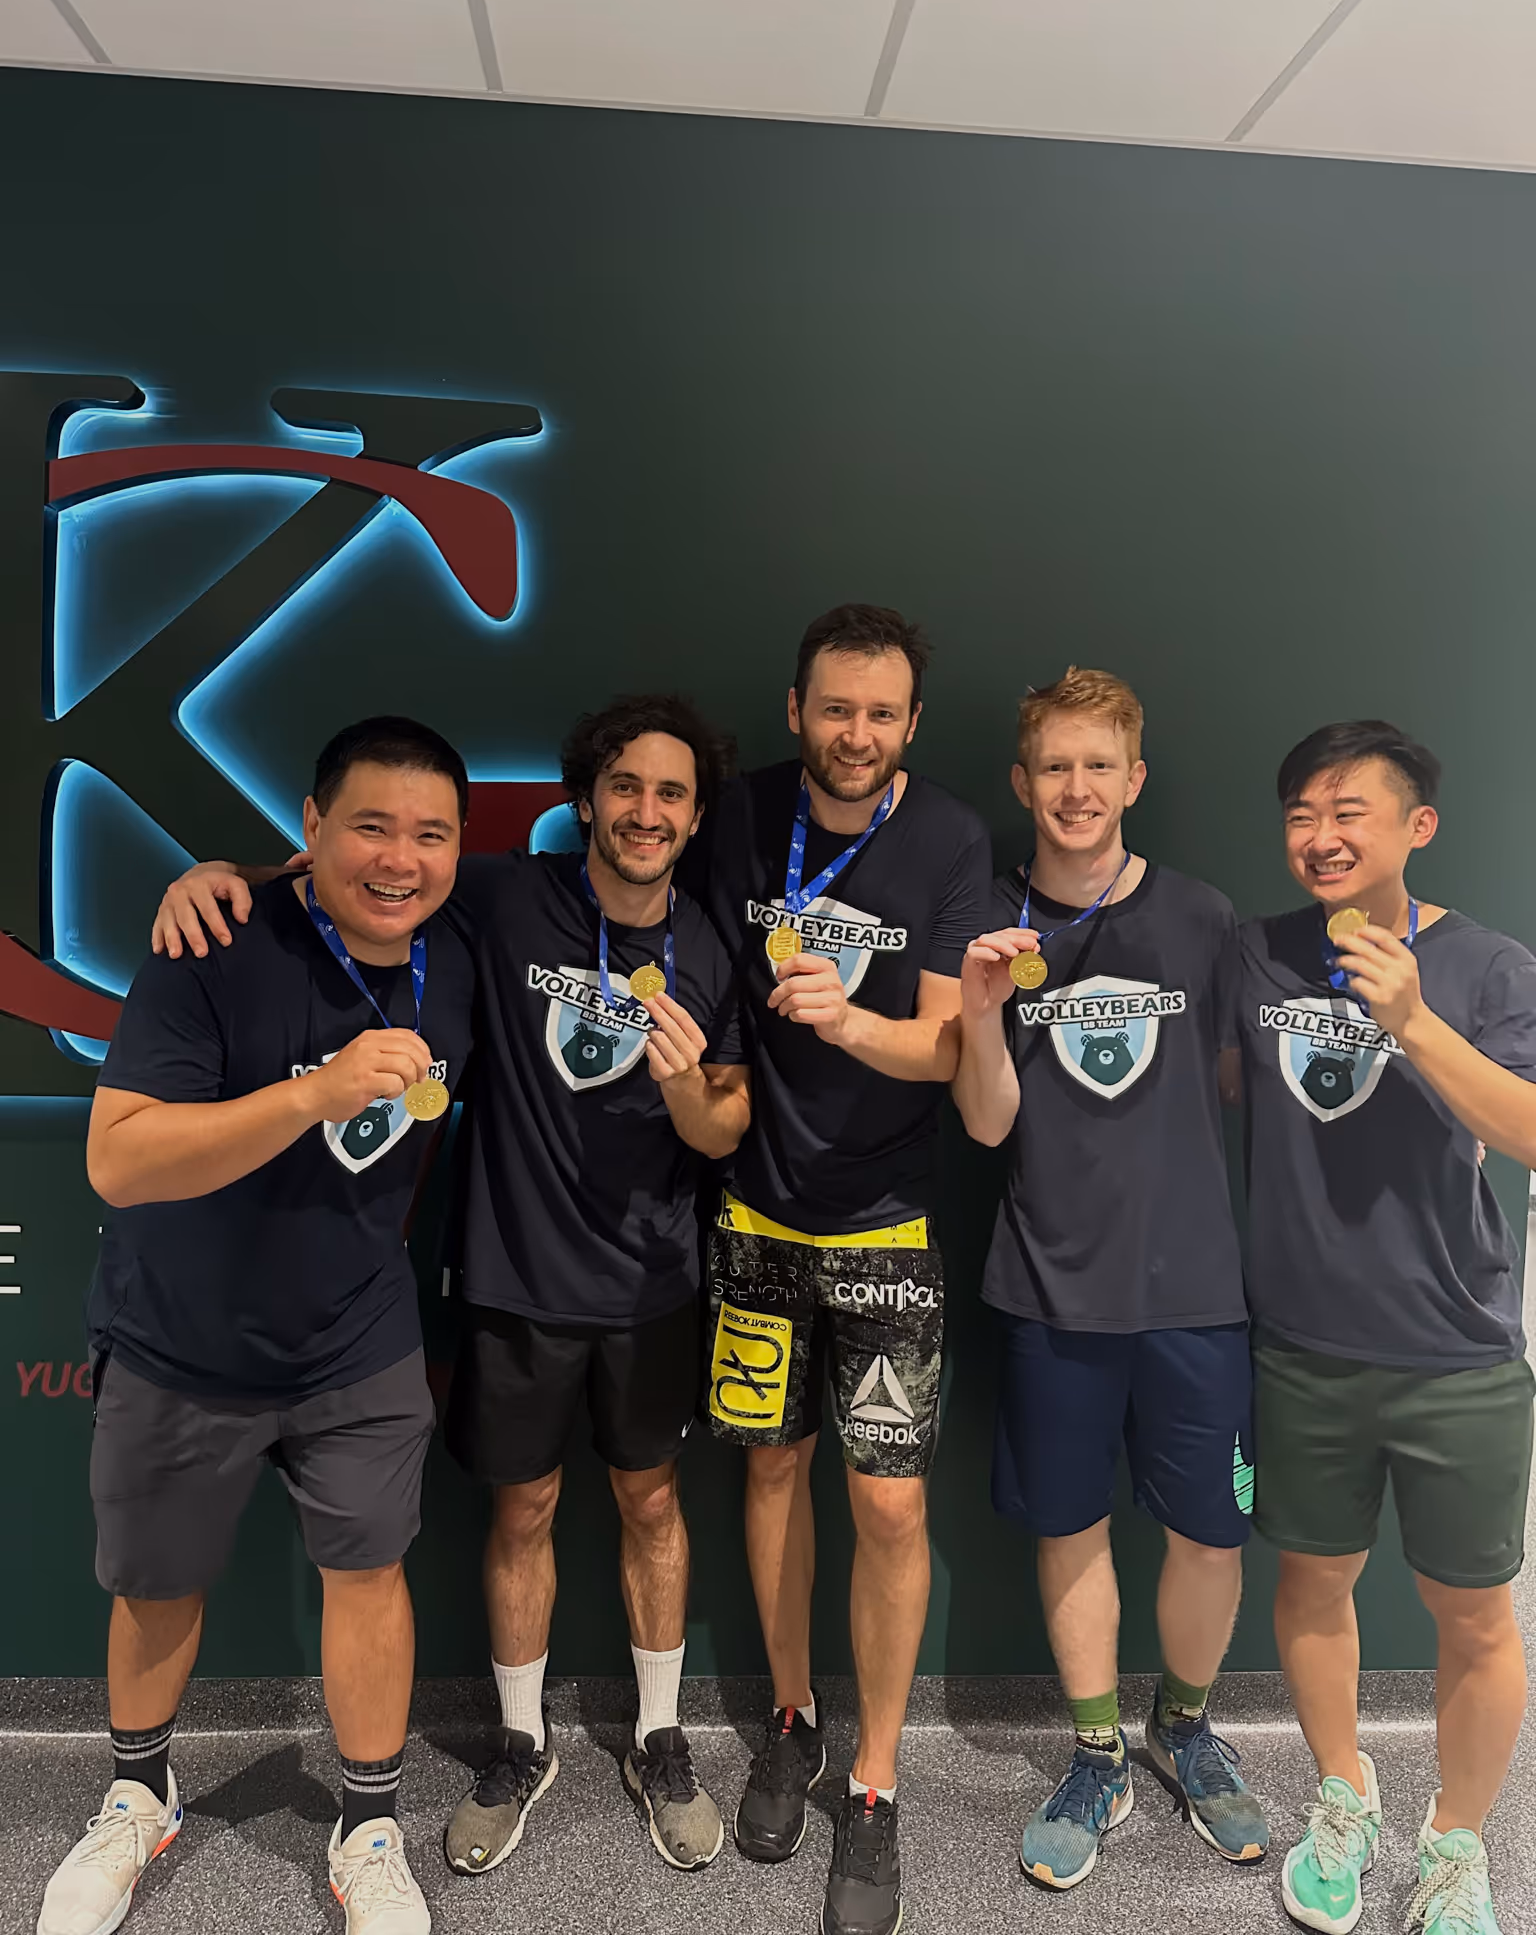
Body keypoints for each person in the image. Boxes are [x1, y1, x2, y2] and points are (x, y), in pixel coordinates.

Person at [150, 695, 750, 1882]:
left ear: (693, 814)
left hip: (653, 1281)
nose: (645, 811)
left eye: (670, 793)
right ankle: (522, 1745)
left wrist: (686, 1090)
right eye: (625, 786)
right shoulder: (504, 895)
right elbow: (369, 874)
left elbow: (724, 1123)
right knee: (519, 1511)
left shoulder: (716, 940)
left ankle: (661, 1737)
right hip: (512, 1273)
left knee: (652, 1503)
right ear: (587, 797)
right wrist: (213, 874)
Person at [37, 717, 477, 1935]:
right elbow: (118, 1160)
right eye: (370, 826)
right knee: (157, 1583)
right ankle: (138, 1796)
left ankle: (370, 1819)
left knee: (368, 1572)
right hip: (182, 1337)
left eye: (431, 832)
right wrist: (312, 1092)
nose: (400, 859)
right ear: (310, 829)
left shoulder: (465, 943)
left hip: (359, 1337)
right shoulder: (214, 939)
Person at [692, 604, 992, 1935]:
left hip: (883, 1223)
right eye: (835, 708)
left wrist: (848, 1019)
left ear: (912, 724)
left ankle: (874, 1787)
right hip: (752, 1214)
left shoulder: (950, 839)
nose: (856, 734)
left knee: (889, 1508)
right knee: (769, 1468)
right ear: (797, 705)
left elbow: (949, 1051)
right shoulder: (741, 814)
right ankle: (793, 1719)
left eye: (882, 714)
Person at [951, 666, 1267, 1892]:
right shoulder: (986, 921)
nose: (1077, 789)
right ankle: (1097, 1755)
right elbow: (984, 1125)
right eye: (1056, 767)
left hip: (1197, 1289)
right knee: (1071, 1525)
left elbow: (1236, 1085)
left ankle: (1183, 1729)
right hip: (1048, 1288)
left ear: (1134, 780)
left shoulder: (1203, 915)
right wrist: (982, 1012)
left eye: (1101, 766)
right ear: (1023, 783)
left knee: (1207, 1528)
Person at [1239, 721, 1536, 1935]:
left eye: (1350, 809)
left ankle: (1459, 1841)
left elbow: (1526, 1128)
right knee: (1314, 1583)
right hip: (1301, 1344)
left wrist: (1414, 1019)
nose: (1323, 833)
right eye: (1304, 811)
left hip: (1458, 1351)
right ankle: (1342, 1794)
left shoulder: (1488, 965)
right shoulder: (1255, 957)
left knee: (1474, 1611)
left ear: (1415, 825)